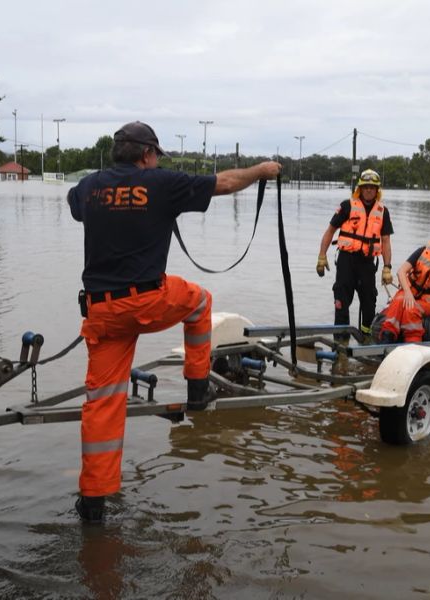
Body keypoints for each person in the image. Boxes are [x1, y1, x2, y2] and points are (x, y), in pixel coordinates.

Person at [68, 121, 281, 523]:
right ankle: (198, 389)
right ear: (148, 154)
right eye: (155, 155)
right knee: (200, 301)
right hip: (147, 301)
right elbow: (225, 183)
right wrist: (260, 171)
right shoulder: (161, 182)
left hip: (101, 313)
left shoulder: (90, 186)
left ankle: (93, 502)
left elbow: (74, 203)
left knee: (103, 404)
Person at [316, 169, 394, 339]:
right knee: (341, 303)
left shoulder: (383, 212)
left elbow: (386, 241)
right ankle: (341, 345)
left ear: (377, 190)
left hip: (367, 263)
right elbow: (330, 231)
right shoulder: (347, 206)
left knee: (369, 303)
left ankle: (366, 340)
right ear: (360, 188)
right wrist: (322, 256)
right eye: (365, 187)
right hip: (346, 261)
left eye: (372, 187)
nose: (368, 190)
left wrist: (387, 267)